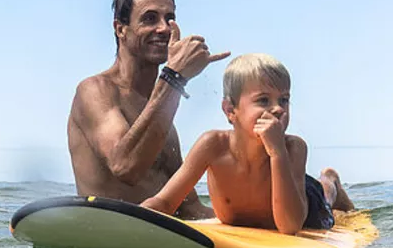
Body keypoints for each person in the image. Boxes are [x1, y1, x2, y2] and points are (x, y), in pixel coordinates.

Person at [67, 0, 228, 219]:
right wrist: (175, 76)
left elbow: (191, 209)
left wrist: (253, 222)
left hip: (157, 245)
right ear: (120, 29)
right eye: (149, 18)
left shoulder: (162, 122)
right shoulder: (95, 90)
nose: (163, 28)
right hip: (109, 245)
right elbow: (126, 167)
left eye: (169, 18)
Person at [142, 53, 355, 234]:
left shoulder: (292, 149)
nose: (278, 108)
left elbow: (290, 227)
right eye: (263, 100)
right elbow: (165, 203)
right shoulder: (213, 146)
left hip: (301, 203)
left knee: (324, 200)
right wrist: (125, 220)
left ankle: (330, 181)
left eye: (284, 100)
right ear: (230, 111)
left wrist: (277, 153)